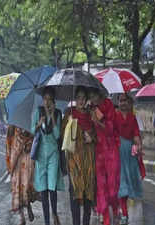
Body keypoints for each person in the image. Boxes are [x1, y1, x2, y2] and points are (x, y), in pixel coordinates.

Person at [61, 87, 96, 225]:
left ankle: (86, 222)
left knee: (88, 190)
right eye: (79, 98)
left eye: (83, 98)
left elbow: (99, 131)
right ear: (75, 99)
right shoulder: (69, 114)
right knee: (75, 190)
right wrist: (70, 125)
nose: (81, 101)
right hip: (74, 159)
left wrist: (91, 137)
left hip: (88, 158)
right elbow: (63, 136)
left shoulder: (91, 115)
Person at [31, 87, 64, 225]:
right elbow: (32, 130)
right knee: (43, 189)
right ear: (42, 100)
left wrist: (52, 118)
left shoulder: (57, 113)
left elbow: (57, 135)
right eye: (45, 99)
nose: (47, 102)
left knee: (52, 187)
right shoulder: (37, 112)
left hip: (53, 154)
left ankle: (54, 214)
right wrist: (38, 124)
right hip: (41, 155)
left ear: (54, 101)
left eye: (50, 99)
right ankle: (46, 221)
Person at [88, 89, 121, 225]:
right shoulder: (91, 108)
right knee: (101, 187)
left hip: (111, 150)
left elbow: (111, 129)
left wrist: (98, 121)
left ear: (99, 94)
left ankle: (115, 207)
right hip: (99, 151)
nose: (92, 99)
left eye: (93, 95)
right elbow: (90, 129)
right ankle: (106, 218)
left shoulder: (109, 106)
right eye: (90, 97)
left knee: (112, 188)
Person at [116, 93, 143, 225]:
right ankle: (124, 213)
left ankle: (122, 209)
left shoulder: (133, 118)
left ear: (128, 102)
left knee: (128, 183)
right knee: (122, 184)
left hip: (130, 155)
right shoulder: (114, 116)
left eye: (125, 100)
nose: (123, 103)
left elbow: (136, 135)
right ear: (118, 103)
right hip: (117, 153)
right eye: (120, 101)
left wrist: (138, 145)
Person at [6, 125, 37, 225]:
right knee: (19, 190)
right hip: (19, 164)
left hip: (25, 162)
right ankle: (22, 217)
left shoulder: (29, 127)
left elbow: (33, 142)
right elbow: (8, 147)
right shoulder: (11, 130)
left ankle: (27, 206)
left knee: (25, 188)